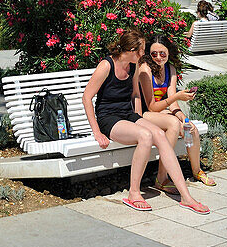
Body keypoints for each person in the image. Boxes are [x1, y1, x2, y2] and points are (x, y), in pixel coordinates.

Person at [81, 30, 209, 214]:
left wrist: (139, 118)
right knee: (145, 136)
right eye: (142, 50)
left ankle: (186, 197)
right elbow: (87, 97)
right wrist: (97, 132)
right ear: (132, 50)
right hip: (108, 118)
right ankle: (134, 193)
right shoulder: (106, 65)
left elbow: (135, 94)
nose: (144, 54)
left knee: (158, 134)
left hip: (127, 114)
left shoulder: (134, 66)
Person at [138, 33, 216, 189]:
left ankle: (197, 171)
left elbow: (173, 103)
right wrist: (177, 97)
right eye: (154, 54)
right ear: (148, 54)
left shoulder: (170, 69)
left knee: (190, 129)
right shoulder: (145, 70)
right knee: (174, 124)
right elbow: (151, 106)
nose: (158, 57)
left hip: (163, 113)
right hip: (146, 114)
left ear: (168, 53)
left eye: (162, 53)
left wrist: (183, 117)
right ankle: (162, 176)